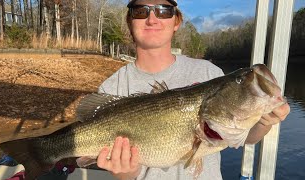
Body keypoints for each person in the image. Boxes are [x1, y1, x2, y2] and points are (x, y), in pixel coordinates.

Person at [96, 0, 291, 180]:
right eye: (141, 11)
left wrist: (264, 122)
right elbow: (123, 174)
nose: (152, 18)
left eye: (164, 11)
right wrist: (125, 173)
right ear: (130, 21)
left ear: (176, 21)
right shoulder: (113, 87)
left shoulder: (209, 72)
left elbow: (245, 137)